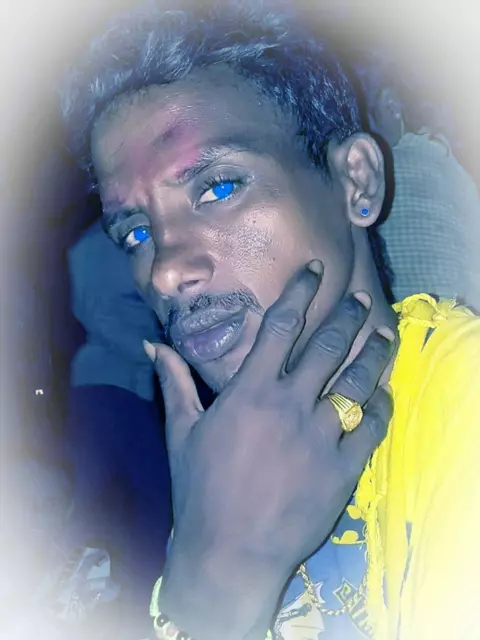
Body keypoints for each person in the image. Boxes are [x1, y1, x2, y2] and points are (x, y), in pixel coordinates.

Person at [61, 1, 480, 638]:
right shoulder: (223, 460)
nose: (165, 272)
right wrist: (209, 579)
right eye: (136, 232)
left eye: (218, 189)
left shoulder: (461, 409)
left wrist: (221, 584)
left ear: (356, 183)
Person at [65, 220, 172, 629]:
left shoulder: (92, 244)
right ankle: (143, 600)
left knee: (96, 493)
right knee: (154, 497)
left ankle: (89, 596)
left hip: (106, 383)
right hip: (114, 384)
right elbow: (104, 317)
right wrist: (159, 354)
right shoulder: (107, 246)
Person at [351, 48, 480, 310]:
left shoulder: (393, 167)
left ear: (390, 105)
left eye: (361, 116)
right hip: (462, 324)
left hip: (413, 325)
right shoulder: (449, 166)